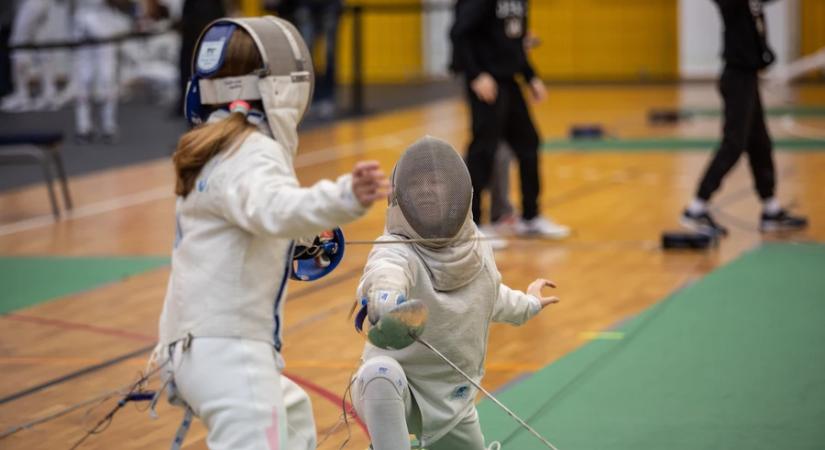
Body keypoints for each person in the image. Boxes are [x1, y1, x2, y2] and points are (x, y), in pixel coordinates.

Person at [154, 17, 389, 449]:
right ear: (283, 88)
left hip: (188, 349)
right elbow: (276, 209)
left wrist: (301, 239)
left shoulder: (210, 145)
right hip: (231, 354)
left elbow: (241, 221)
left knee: (292, 415)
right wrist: (346, 196)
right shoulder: (253, 152)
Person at [351, 136, 560, 449]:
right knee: (380, 372)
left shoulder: (475, 247)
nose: (425, 190)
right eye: (417, 183)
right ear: (401, 196)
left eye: (435, 182)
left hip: (453, 400)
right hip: (398, 392)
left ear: (456, 192)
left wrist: (528, 303)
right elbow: (385, 272)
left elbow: (488, 296)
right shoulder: (395, 247)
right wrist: (387, 299)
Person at [681, 0, 807, 235]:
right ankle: (696, 208)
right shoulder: (733, 3)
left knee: (760, 145)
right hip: (737, 78)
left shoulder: (752, 3)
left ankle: (771, 209)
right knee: (733, 145)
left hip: (748, 79)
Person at [450, 0, 569, 240]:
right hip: (486, 82)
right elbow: (459, 33)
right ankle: (472, 224)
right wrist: (475, 75)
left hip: (509, 81)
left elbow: (515, 40)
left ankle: (530, 217)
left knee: (529, 143)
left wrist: (530, 76)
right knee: (484, 148)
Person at [72, 0, 132, 142]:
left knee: (106, 76)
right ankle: (84, 127)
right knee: (84, 77)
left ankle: (108, 126)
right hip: (81, 19)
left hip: (103, 19)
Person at [291, 0, 342, 119]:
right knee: (306, 55)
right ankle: (308, 99)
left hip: (329, 6)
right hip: (306, 6)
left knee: (328, 54)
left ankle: (328, 98)